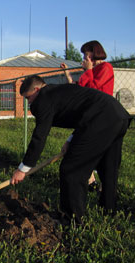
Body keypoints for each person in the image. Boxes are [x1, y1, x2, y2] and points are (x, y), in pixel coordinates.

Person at [10, 75, 131, 224]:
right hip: (118, 115)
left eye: (28, 98)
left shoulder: (44, 98)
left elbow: (39, 136)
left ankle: (71, 219)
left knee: (71, 170)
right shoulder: (60, 91)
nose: (29, 103)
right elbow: (82, 111)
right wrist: (70, 140)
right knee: (109, 166)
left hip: (100, 118)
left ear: (36, 89)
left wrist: (23, 168)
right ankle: (109, 210)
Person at [61, 40, 114, 188]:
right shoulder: (91, 70)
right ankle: (91, 182)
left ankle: (96, 183)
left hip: (102, 115)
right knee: (73, 146)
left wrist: (89, 70)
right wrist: (68, 75)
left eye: (86, 53)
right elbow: (80, 88)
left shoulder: (106, 67)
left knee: (87, 150)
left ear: (95, 52)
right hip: (89, 115)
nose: (84, 57)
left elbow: (94, 91)